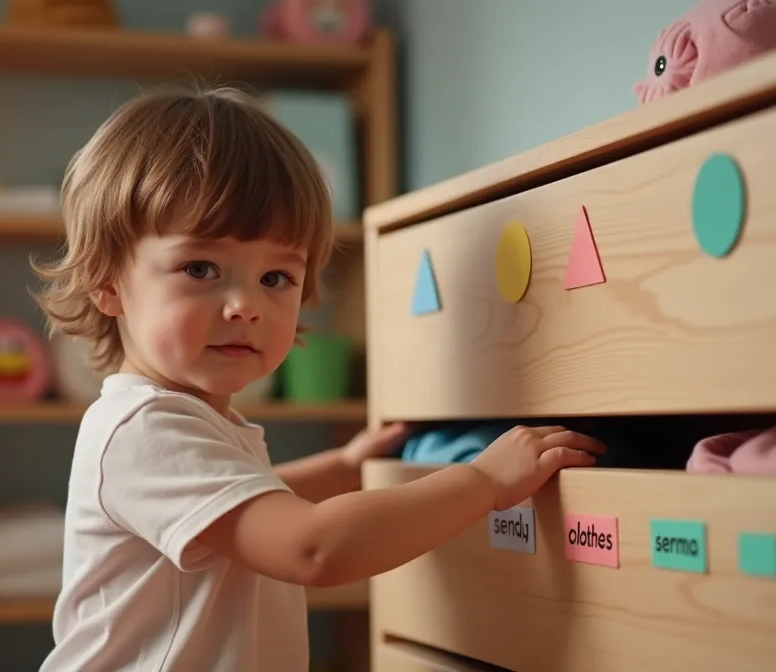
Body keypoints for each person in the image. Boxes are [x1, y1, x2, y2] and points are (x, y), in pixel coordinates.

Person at [32, 85, 604, 672]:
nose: (244, 306)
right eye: (200, 268)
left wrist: (343, 467)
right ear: (106, 282)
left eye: (276, 278)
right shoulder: (144, 429)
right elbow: (312, 547)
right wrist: (484, 482)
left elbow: (246, 505)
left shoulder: (189, 420)